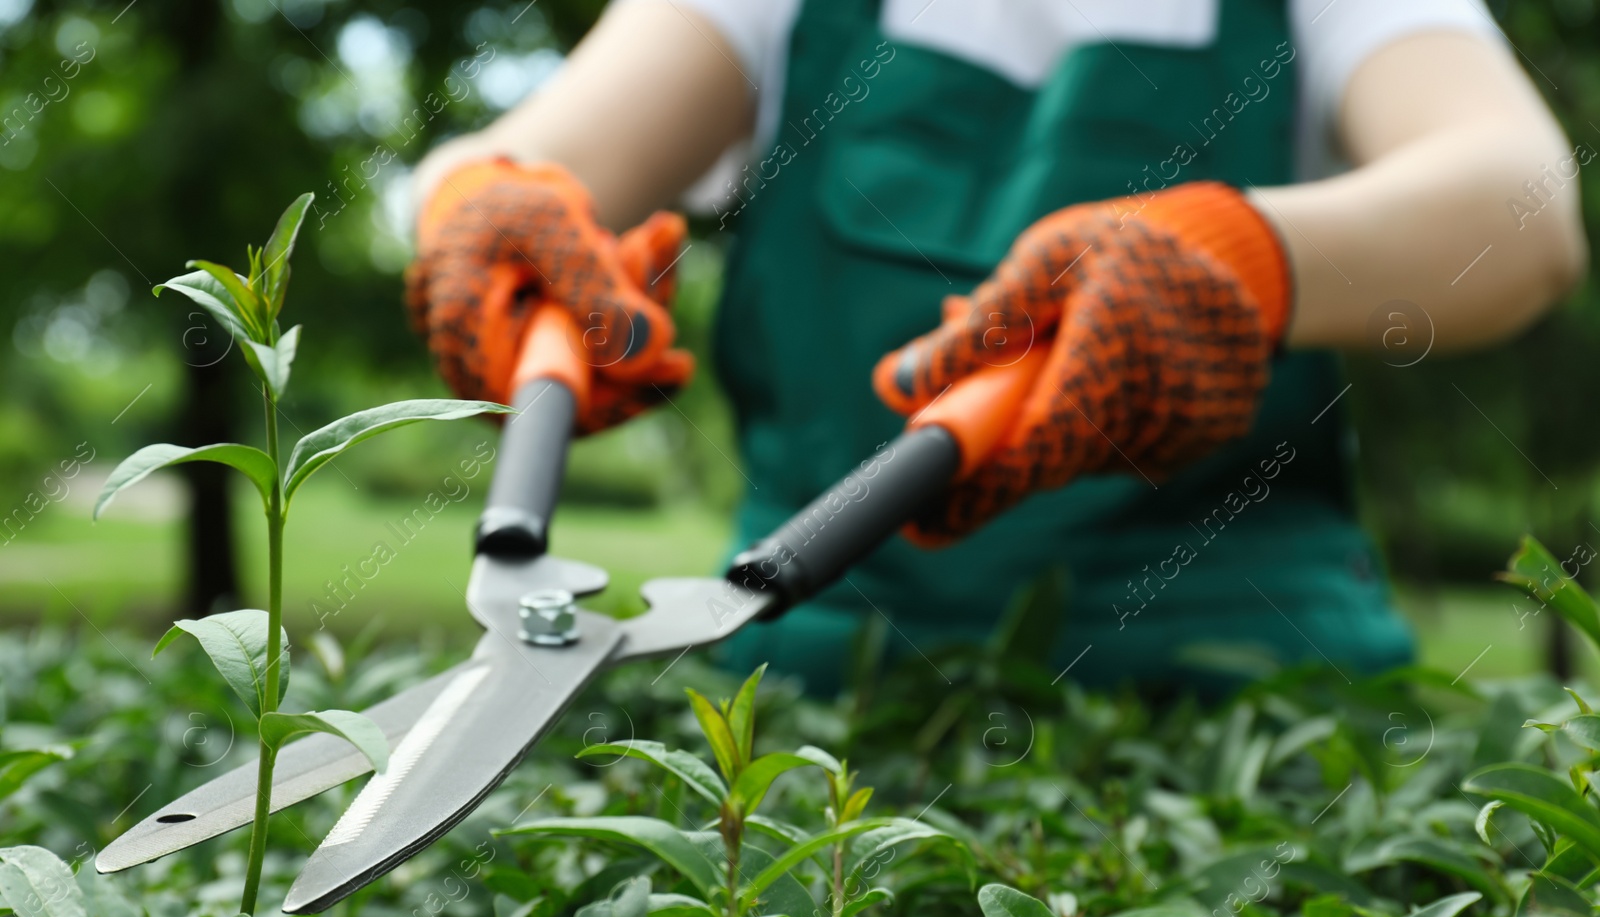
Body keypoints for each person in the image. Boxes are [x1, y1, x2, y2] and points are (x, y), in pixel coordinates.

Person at [407, 1, 1587, 696]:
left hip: (1249, 676)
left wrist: (1248, 255)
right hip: (805, 677)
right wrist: (477, 208)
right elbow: (522, 171)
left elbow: (1523, 204)